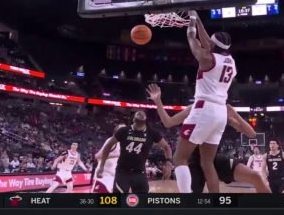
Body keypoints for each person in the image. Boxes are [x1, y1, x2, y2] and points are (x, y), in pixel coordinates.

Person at [146, 84, 271, 193]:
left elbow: (252, 134)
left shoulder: (223, 110)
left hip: (214, 159)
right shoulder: (194, 108)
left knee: (255, 176)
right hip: (193, 162)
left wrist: (235, 115)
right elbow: (168, 122)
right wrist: (158, 101)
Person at [174, 11, 236, 193]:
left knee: (179, 158)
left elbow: (191, 37)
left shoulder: (206, 58)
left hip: (204, 109)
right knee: (207, 162)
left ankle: (186, 200)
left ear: (211, 45)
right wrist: (197, 16)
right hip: (220, 113)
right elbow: (208, 41)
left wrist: (192, 21)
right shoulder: (231, 61)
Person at [96, 111, 172, 193]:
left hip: (140, 173)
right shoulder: (123, 131)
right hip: (123, 172)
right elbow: (108, 146)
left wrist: (168, 164)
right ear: (133, 120)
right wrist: (101, 166)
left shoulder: (151, 133)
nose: (140, 115)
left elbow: (166, 147)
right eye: (138, 116)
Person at [91, 124, 126, 193]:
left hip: (114, 176)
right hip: (104, 176)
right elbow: (97, 156)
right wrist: (117, 154)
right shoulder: (111, 141)